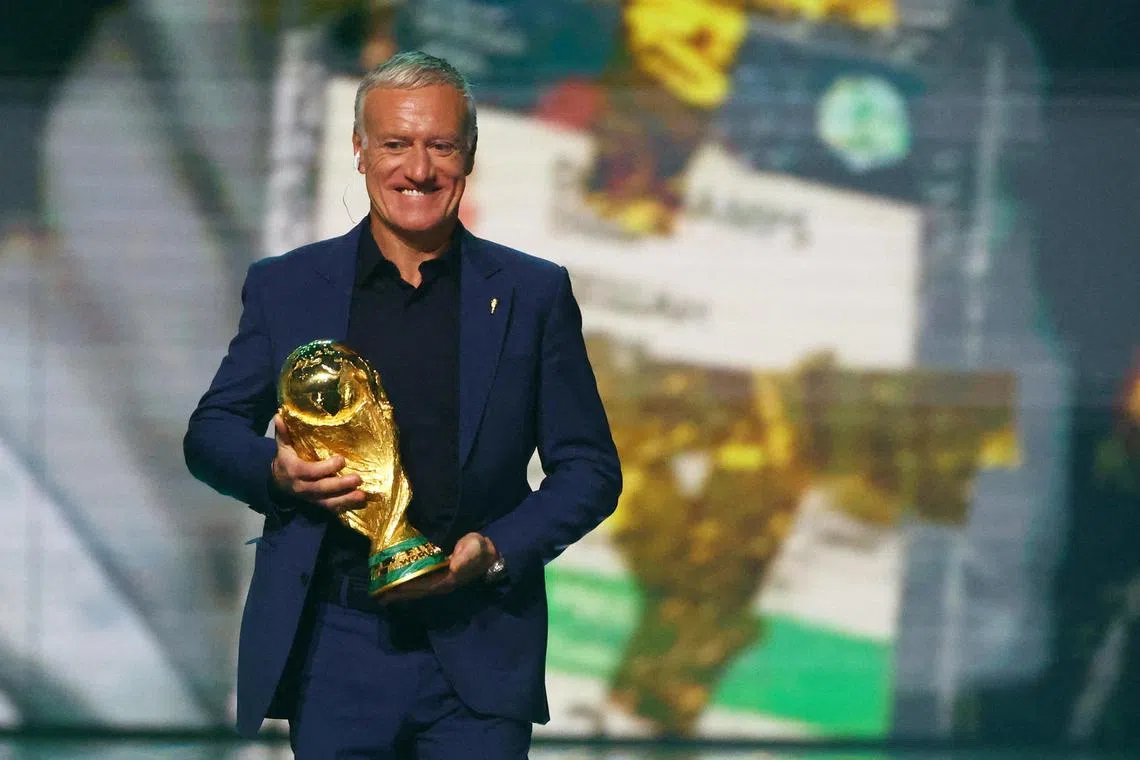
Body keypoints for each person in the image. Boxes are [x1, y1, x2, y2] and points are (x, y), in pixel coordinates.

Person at [183, 50, 621, 757]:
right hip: (336, 645)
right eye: (395, 144)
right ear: (359, 151)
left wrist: (498, 550)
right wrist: (276, 471)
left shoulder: (532, 295)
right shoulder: (288, 287)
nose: (418, 169)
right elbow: (211, 433)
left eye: (440, 145)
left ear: (469, 154)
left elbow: (590, 471)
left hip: (479, 649)